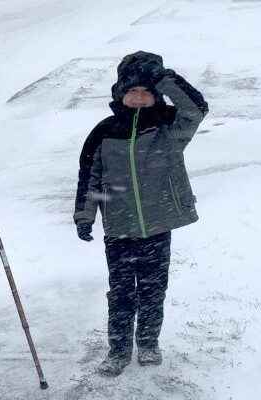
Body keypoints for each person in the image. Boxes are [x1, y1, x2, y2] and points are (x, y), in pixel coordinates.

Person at [74, 51, 209, 377]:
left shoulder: (169, 131)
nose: (137, 97)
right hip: (119, 230)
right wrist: (85, 214)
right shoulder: (105, 132)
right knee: (121, 293)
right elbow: (92, 177)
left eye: (145, 92)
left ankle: (148, 342)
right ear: (120, 93)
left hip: (157, 226)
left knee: (152, 289)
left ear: (155, 96)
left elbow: (197, 109)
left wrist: (164, 78)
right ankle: (118, 350)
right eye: (131, 91)